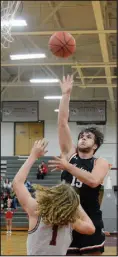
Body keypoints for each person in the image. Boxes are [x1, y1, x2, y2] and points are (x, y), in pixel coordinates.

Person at [48, 75, 109, 255]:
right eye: (81, 136)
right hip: (67, 216)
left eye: (88, 137)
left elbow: (93, 181)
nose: (83, 138)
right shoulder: (70, 154)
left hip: (90, 216)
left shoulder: (100, 162)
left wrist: (68, 167)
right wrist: (65, 94)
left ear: (96, 145)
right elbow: (62, 123)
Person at [12, 139, 95, 256]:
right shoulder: (71, 220)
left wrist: (33, 156)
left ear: (52, 195)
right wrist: (76, 202)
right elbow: (91, 228)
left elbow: (17, 183)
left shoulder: (37, 211)